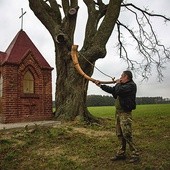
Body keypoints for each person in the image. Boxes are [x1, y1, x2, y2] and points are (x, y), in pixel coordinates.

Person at [94, 70, 140, 163]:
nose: (120, 77)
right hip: (118, 112)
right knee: (120, 134)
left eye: (122, 76)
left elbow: (117, 90)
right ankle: (121, 153)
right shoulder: (122, 85)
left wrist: (118, 83)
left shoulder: (131, 85)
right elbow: (113, 91)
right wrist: (100, 85)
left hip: (125, 113)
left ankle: (135, 154)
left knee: (127, 134)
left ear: (126, 77)